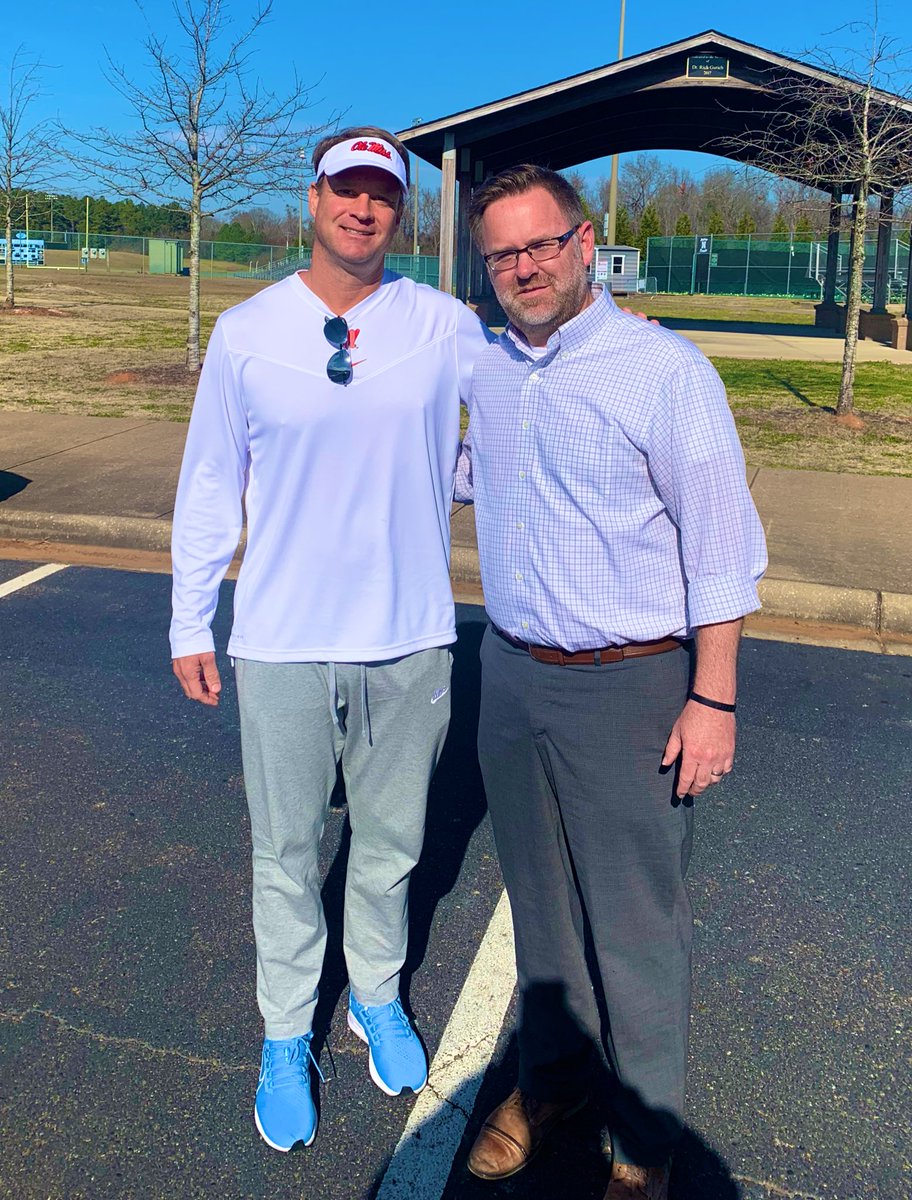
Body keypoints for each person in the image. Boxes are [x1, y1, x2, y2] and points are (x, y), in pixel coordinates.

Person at [169, 126, 492, 1153]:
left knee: (392, 847)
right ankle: (282, 1033)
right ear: (312, 200)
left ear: (404, 212)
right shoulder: (249, 330)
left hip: (409, 642)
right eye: (345, 191)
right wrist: (191, 615)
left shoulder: (445, 326)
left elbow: (502, 447)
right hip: (282, 641)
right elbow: (213, 480)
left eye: (382, 195)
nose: (364, 209)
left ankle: (377, 996)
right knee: (288, 852)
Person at [457, 164, 767, 1200]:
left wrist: (712, 696)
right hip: (511, 674)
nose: (524, 267)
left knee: (635, 926)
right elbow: (463, 476)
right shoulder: (492, 370)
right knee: (542, 911)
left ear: (586, 243)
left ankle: (644, 1148)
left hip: (632, 683)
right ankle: (553, 1087)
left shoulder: (663, 372)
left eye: (541, 244)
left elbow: (720, 548)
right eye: (502, 252)